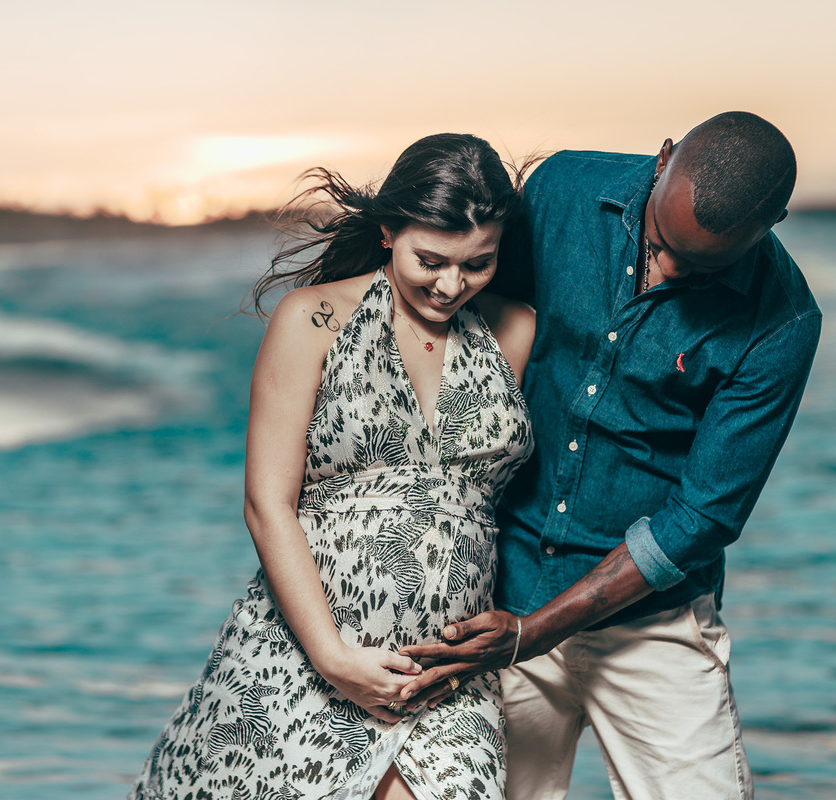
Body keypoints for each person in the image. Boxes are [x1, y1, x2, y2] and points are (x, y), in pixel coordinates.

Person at [398, 112, 823, 799]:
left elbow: (702, 519)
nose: (669, 270)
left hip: (651, 623)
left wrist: (536, 631)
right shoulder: (562, 190)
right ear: (663, 159)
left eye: (700, 265)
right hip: (497, 589)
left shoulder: (783, 322)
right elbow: (471, 323)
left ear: (772, 223)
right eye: (662, 242)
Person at [128, 133, 536, 800]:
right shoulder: (312, 319)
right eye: (430, 260)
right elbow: (267, 503)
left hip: (447, 678)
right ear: (387, 232)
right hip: (305, 658)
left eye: (477, 264)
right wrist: (334, 659)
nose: (450, 285)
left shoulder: (515, 329)